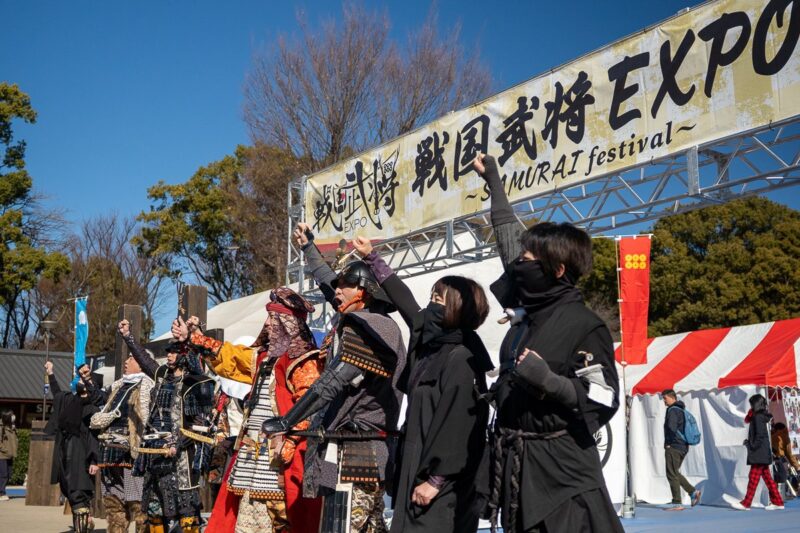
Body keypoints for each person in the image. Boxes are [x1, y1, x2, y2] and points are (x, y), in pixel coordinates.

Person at [475, 153, 623, 533]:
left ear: (556, 271)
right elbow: (509, 243)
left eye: (528, 260)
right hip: (519, 470)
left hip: (563, 480)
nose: (519, 265)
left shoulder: (585, 325)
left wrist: (551, 382)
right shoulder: (532, 306)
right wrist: (494, 183)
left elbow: (605, 398)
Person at [262, 222, 407, 533]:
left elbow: (336, 380)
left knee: (341, 528)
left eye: (346, 285)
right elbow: (331, 285)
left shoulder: (371, 326)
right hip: (357, 448)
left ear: (365, 292)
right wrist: (308, 249)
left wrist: (288, 420)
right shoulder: (366, 319)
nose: (337, 291)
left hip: (359, 451)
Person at [351, 236, 494, 532]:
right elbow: (405, 303)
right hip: (415, 469)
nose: (429, 306)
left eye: (438, 300)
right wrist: (372, 258)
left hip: (442, 485)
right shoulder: (430, 349)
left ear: (456, 309)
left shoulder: (462, 360)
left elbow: (460, 426)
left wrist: (435, 480)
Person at [177, 287, 323, 533]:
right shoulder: (264, 359)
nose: (268, 325)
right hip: (251, 458)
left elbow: (309, 407)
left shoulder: (304, 362)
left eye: (273, 319)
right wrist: (195, 338)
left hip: (281, 461)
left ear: (288, 324)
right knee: (245, 522)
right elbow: (231, 357)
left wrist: (287, 446)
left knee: (283, 522)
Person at [118, 320, 215, 533]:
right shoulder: (162, 376)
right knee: (154, 508)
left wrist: (178, 445)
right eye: (168, 352)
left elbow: (200, 425)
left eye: (173, 352)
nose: (168, 356)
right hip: (155, 452)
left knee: (187, 509)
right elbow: (145, 361)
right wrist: (128, 336)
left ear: (183, 354)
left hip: (181, 456)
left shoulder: (194, 382)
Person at [89, 349, 155, 533]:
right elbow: (98, 399)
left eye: (131, 358)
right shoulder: (117, 385)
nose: (126, 361)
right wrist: (87, 380)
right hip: (109, 448)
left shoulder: (149, 387)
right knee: (113, 502)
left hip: (132, 450)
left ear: (142, 363)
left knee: (138, 501)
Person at [44, 361, 102, 533]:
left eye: (84, 382)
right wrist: (51, 373)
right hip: (64, 451)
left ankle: (82, 527)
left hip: (81, 453)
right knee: (70, 490)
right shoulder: (69, 399)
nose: (80, 382)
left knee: (79, 493)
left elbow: (93, 436)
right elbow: (56, 394)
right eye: (80, 380)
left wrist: (94, 460)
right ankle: (85, 520)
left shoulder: (92, 408)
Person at [733, 394, 784, 510]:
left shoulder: (758, 417)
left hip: (759, 452)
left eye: (752, 404)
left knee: (753, 477)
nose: (750, 406)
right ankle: (778, 502)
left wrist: (751, 445)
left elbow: (760, 436)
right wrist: (750, 443)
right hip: (762, 451)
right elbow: (759, 435)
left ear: (756, 404)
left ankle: (746, 503)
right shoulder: (759, 416)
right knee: (767, 478)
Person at [661, 389, 701, 509]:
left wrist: (668, 443)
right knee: (675, 472)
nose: (663, 401)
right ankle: (693, 492)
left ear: (672, 398)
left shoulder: (673, 410)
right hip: (683, 446)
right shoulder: (681, 410)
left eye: (665, 398)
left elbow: (671, 428)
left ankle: (677, 502)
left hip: (674, 446)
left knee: (671, 474)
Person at [772, 421, 800, 499]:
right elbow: (789, 454)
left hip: (771, 458)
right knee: (782, 476)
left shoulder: (770, 434)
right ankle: (780, 495)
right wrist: (797, 467)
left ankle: (776, 495)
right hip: (778, 458)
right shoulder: (784, 436)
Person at [0, 410, 18, 502]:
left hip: (10, 455)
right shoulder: (1, 428)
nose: (13, 417)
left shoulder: (11, 428)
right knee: (3, 474)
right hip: (2, 455)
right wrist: (5, 450)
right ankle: (2, 493)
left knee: (9, 474)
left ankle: (2, 491)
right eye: (11, 416)